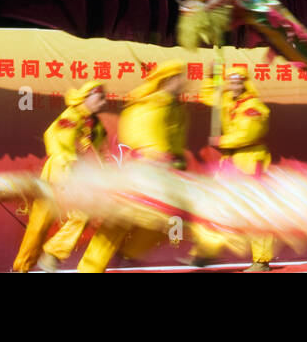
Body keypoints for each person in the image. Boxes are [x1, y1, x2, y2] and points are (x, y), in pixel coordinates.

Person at [78, 61, 189, 272]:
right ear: (168, 80)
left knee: (166, 218)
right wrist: (151, 153)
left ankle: (129, 253)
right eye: (178, 78)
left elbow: (176, 139)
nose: (183, 82)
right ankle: (90, 269)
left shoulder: (178, 108)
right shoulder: (149, 103)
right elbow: (136, 133)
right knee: (118, 221)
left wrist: (176, 158)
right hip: (141, 169)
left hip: (164, 172)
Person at [12, 81, 117, 273]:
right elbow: (57, 140)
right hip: (60, 172)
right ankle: (21, 268)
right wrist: (71, 165)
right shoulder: (71, 116)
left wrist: (105, 173)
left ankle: (53, 254)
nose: (103, 102)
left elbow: (100, 153)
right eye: (100, 97)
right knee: (39, 224)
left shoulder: (96, 125)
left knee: (83, 212)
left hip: (78, 176)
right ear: (87, 97)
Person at [193, 65, 276, 271]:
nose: (234, 85)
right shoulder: (227, 101)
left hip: (249, 162)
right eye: (231, 81)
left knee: (254, 213)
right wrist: (211, 77)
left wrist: (221, 140)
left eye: (238, 82)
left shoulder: (254, 106)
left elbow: (247, 134)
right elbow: (207, 97)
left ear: (245, 82)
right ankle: (207, 250)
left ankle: (262, 261)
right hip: (231, 164)